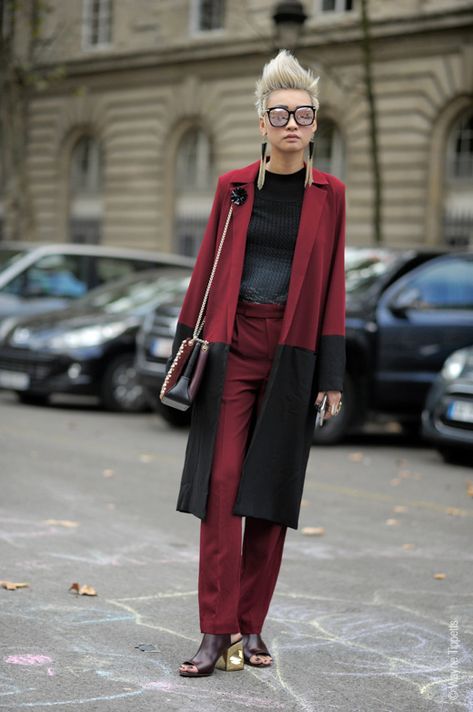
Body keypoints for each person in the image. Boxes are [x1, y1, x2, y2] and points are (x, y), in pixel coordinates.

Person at [165, 49, 346, 677]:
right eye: (280, 114)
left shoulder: (331, 195)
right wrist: (182, 347)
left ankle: (250, 624)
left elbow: (332, 287)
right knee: (221, 488)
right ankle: (215, 631)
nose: (291, 123)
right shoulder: (234, 188)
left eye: (303, 114)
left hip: (293, 352)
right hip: (232, 344)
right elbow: (202, 273)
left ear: (315, 124)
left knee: (268, 494)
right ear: (263, 123)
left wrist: (332, 374)